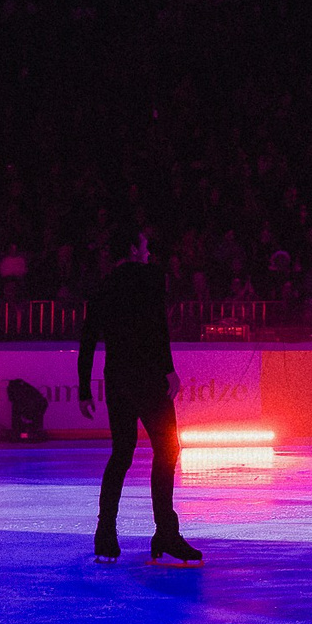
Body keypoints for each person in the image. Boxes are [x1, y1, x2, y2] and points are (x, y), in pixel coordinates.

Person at [77, 226, 202, 564]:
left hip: (117, 377)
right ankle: (166, 532)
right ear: (133, 249)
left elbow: (88, 338)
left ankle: (105, 534)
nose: (149, 251)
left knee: (121, 453)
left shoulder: (103, 286)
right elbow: (156, 325)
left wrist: (84, 387)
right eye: (145, 245)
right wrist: (169, 368)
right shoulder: (149, 277)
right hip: (146, 375)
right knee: (167, 448)